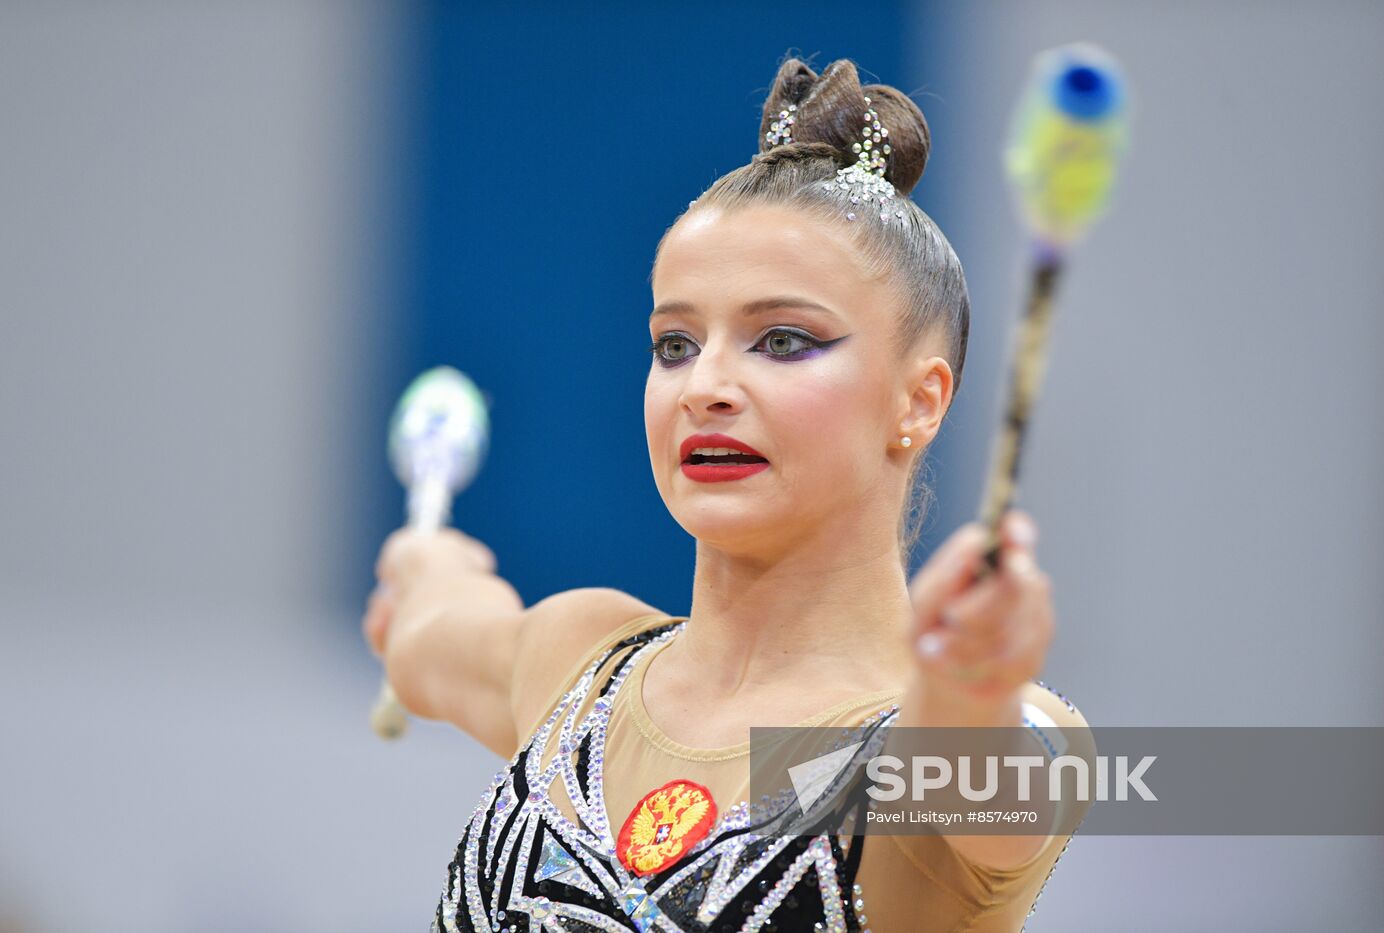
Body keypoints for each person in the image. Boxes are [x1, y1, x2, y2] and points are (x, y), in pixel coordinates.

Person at [363, 56, 1093, 933]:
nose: (704, 384)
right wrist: (424, 562)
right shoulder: (578, 663)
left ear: (920, 399)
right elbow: (432, 621)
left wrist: (970, 679)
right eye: (674, 343)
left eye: (782, 340)